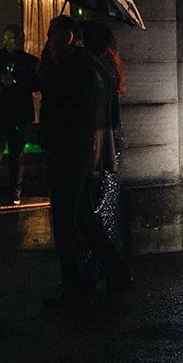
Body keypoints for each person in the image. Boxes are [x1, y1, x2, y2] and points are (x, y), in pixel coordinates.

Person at [38, 14, 125, 308]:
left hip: (72, 154)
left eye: (52, 35)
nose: (48, 41)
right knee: (84, 216)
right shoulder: (97, 67)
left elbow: (61, 114)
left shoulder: (71, 69)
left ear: (68, 37)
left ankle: (78, 284)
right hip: (91, 154)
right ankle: (114, 269)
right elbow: (111, 116)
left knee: (67, 219)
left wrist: (49, 139)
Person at [81, 22, 131, 283]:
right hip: (109, 141)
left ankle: (106, 267)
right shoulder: (109, 68)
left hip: (102, 142)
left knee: (96, 207)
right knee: (104, 206)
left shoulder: (97, 71)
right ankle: (108, 266)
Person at [0, 23, 38, 207]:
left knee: (16, 155)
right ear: (6, 39)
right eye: (13, 38)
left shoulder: (30, 61)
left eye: (20, 37)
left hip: (18, 113)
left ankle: (14, 194)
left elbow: (37, 83)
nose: (18, 41)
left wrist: (17, 82)